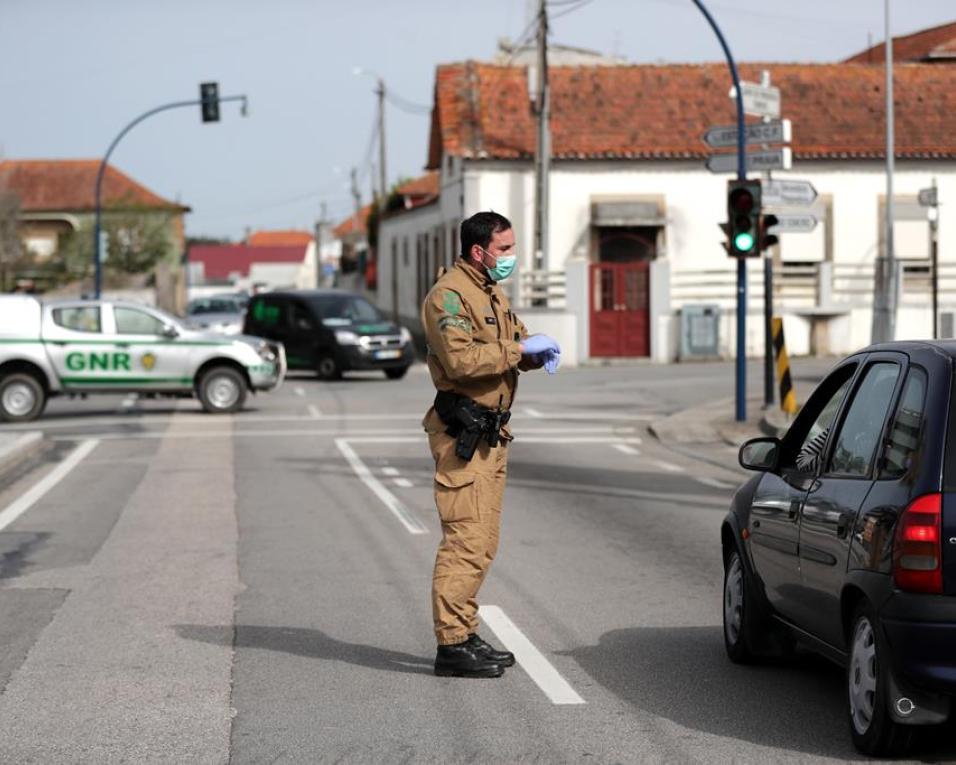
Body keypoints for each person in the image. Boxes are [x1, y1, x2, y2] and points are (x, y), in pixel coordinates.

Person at [421, 211, 560, 678]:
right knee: (465, 541)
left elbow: (513, 343)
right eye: (504, 249)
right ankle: (452, 644)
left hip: (491, 432)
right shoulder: (448, 296)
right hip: (464, 432)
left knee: (482, 542)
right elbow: (460, 361)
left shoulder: (488, 291)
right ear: (479, 251)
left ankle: (465, 629)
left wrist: (534, 351)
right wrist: (517, 351)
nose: (511, 258)